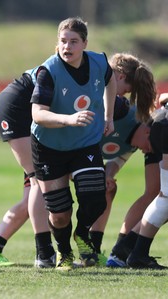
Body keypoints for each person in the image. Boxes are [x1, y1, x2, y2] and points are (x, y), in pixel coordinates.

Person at [31, 17, 116, 270]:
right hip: (48, 146)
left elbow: (111, 80)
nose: (67, 47)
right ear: (57, 43)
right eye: (63, 41)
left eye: (73, 42)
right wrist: (68, 119)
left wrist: (108, 116)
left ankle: (82, 234)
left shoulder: (99, 61)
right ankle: (64, 252)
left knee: (96, 199)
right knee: (59, 214)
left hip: (85, 142)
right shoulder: (48, 71)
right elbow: (37, 114)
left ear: (85, 43)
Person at [86, 53, 158, 265]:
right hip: (66, 154)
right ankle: (48, 251)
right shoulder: (114, 109)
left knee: (109, 187)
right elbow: (83, 139)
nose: (127, 94)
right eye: (127, 88)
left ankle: (99, 250)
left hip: (85, 159)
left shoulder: (135, 131)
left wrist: (108, 174)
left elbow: (117, 161)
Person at [0, 67, 55, 268]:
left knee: (31, 193)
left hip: (24, 111)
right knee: (39, 180)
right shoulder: (86, 74)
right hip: (16, 107)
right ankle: (45, 253)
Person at [123, 103, 168, 269]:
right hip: (164, 125)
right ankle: (136, 252)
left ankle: (130, 246)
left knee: (166, 197)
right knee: (166, 197)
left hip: (162, 121)